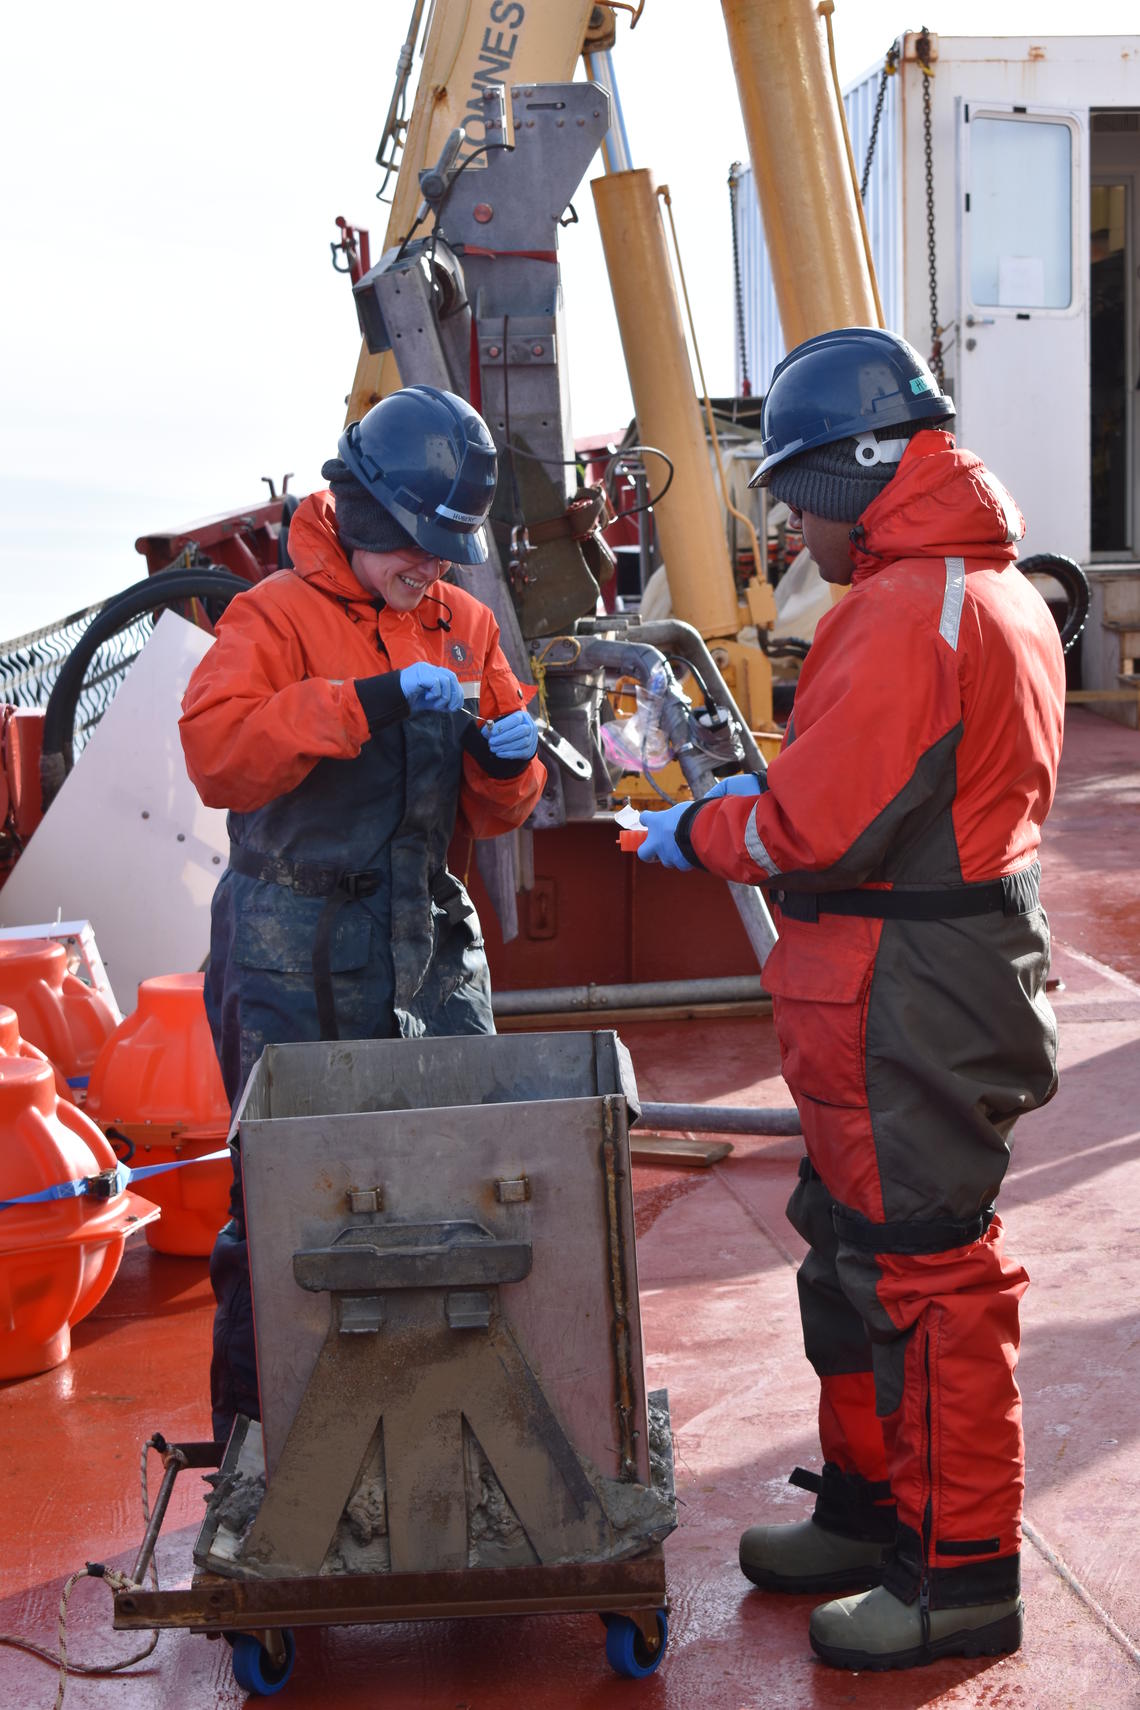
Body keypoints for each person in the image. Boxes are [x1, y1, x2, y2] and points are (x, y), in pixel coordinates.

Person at [636, 328, 1066, 1672]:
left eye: (799, 495)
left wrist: (707, 827)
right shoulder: (970, 591)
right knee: (853, 1249)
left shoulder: (910, 607)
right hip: (904, 981)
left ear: (860, 473)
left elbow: (819, 826)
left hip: (904, 992)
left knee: (926, 1272)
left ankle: (959, 1577)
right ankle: (876, 1512)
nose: (792, 524)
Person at [180, 384, 546, 1441]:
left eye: (444, 553)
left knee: (457, 1190)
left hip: (422, 946)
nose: (430, 571)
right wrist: (365, 704)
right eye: (415, 549)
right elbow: (219, 755)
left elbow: (500, 803)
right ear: (368, 517)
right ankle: (266, 1456)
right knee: (286, 1207)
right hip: (288, 954)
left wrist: (500, 763)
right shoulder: (272, 617)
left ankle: (447, 1432)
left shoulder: (464, 626)